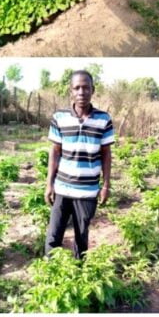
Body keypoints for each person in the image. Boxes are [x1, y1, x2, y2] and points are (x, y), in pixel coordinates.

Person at [44, 70, 113, 259]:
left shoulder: (103, 119)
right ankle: (50, 273)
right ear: (71, 91)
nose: (81, 92)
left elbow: (106, 154)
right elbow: (55, 151)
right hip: (62, 188)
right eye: (77, 88)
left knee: (81, 236)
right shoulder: (59, 117)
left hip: (87, 190)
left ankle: (79, 272)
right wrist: (49, 183)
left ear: (93, 90)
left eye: (86, 87)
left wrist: (105, 185)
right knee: (53, 235)